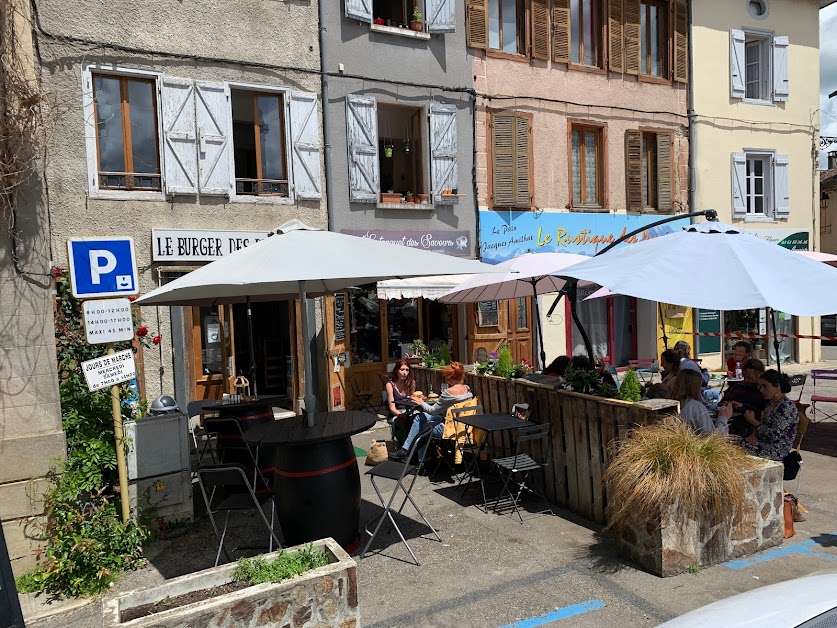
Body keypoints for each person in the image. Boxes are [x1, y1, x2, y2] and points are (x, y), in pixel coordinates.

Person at [389, 362, 473, 462]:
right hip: (464, 425)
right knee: (420, 417)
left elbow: (433, 411)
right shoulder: (467, 389)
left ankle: (421, 460)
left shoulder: (449, 392)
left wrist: (421, 402)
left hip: (450, 428)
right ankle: (406, 451)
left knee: (423, 427)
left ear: (450, 377)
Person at [739, 369, 799, 462]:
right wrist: (754, 435)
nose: (761, 390)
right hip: (763, 443)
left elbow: (775, 435)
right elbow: (764, 424)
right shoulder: (770, 403)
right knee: (734, 440)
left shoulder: (786, 407)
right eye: (760, 386)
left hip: (777, 450)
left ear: (777, 387)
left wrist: (753, 422)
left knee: (736, 446)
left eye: (765, 386)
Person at [670, 369, 732, 435]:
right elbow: (714, 439)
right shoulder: (695, 407)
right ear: (696, 387)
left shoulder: (672, 403)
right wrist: (723, 418)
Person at [721, 358, 767, 437]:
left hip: (748, 427)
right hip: (729, 422)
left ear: (759, 375)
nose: (746, 380)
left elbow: (764, 413)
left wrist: (742, 406)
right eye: (745, 377)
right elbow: (724, 401)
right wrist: (726, 404)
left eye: (750, 378)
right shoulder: (738, 386)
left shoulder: (764, 392)